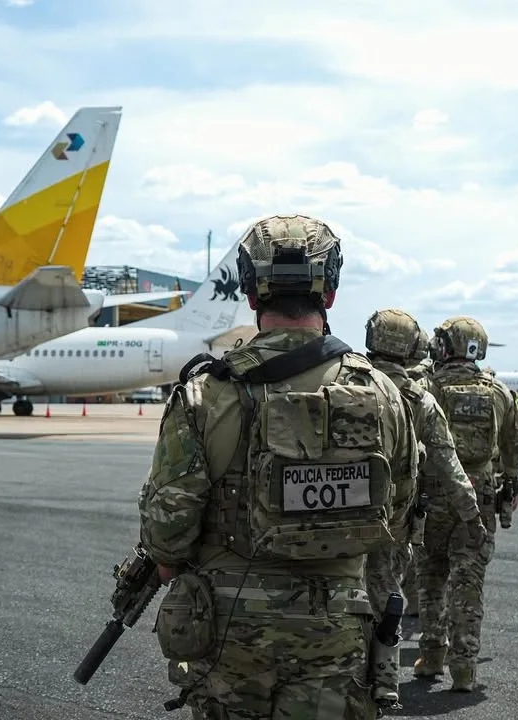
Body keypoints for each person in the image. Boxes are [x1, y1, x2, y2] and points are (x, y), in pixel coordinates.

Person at [136, 215, 419, 719]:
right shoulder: (382, 395)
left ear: (250, 294)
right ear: (328, 293)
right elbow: (396, 518)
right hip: (338, 630)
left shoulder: (206, 395)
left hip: (229, 636)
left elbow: (168, 535)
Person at [416, 316, 518, 692]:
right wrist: (509, 480)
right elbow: (515, 447)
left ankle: (430, 656)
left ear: (445, 347)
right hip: (479, 497)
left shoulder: (426, 386)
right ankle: (464, 668)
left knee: (430, 577)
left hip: (432, 495)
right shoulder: (498, 391)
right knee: (468, 582)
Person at [362, 310, 484, 622]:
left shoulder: (347, 384)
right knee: (385, 602)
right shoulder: (421, 400)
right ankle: (382, 667)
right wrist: (471, 515)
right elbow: (448, 463)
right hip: (396, 521)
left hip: (346, 515)